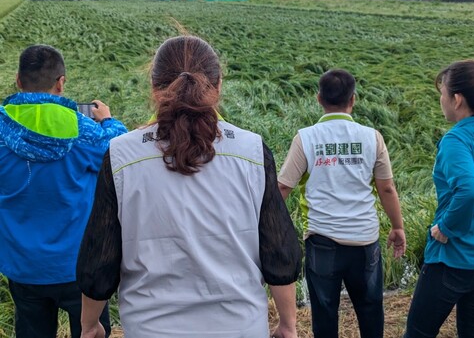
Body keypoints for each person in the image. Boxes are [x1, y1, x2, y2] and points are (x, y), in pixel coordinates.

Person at [77, 35, 302, 338]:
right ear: (218, 84)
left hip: (151, 329)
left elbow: (100, 258)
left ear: (154, 89)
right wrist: (288, 324)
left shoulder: (121, 155)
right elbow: (279, 250)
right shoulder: (251, 150)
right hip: (240, 327)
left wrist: (90, 324)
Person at [0, 44, 127, 338]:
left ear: (18, 80)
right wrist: (108, 120)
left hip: (22, 265)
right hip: (77, 265)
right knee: (91, 331)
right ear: (61, 83)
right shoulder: (81, 129)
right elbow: (119, 150)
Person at [278, 69, 406, 338]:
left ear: (318, 98)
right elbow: (386, 187)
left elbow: (283, 187)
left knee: (324, 313)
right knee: (370, 309)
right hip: (365, 240)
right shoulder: (372, 137)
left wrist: (267, 226)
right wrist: (398, 227)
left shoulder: (306, 138)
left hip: (322, 239)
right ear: (353, 99)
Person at [404, 60, 474, 338]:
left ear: (457, 99)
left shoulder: (457, 141)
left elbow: (469, 190)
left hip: (453, 259)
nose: (440, 100)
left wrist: (447, 228)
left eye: (442, 93)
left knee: (418, 333)